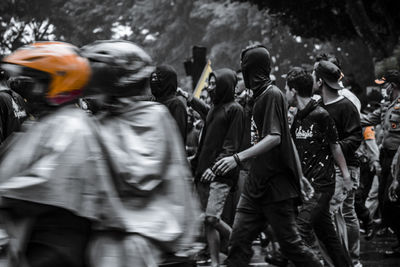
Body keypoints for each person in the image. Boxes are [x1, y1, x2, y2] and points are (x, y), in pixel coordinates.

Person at [0, 40, 199, 267]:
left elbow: (137, 172)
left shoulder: (152, 116)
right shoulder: (94, 121)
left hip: (142, 234)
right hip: (115, 229)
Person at [213, 45, 321, 267]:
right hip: (256, 185)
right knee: (238, 242)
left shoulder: (272, 94)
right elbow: (288, 138)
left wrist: (236, 158)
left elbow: (275, 137)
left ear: (251, 68)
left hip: (275, 187)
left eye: (244, 66)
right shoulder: (257, 96)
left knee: (292, 246)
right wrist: (300, 176)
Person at [286, 67, 352, 267]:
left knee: (300, 230)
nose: (285, 93)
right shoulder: (297, 117)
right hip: (308, 187)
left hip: (322, 186)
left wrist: (346, 176)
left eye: (286, 89)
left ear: (294, 90)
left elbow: (335, 146)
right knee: (329, 237)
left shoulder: (321, 114)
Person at [186, 68, 244, 267]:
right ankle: (215, 262)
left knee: (212, 218)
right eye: (209, 84)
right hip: (204, 173)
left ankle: (242, 243)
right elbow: (204, 109)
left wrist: (215, 168)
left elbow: (231, 146)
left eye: (213, 84)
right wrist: (187, 97)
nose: (210, 88)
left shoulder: (235, 109)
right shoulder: (215, 108)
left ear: (225, 85)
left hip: (220, 175)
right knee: (207, 221)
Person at [313, 60, 363, 267]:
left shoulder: (346, 106)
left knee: (333, 215)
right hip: (324, 170)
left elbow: (355, 138)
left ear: (320, 81)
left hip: (345, 170)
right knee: (333, 216)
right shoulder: (317, 106)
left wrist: (333, 146)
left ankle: (345, 261)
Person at [363, 70, 400, 255]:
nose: (382, 88)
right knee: (382, 200)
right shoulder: (387, 105)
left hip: (397, 157)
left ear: (392, 85)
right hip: (385, 155)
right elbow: (369, 119)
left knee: (390, 200)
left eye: (384, 84)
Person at [150, 65, 188, 144]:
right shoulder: (152, 103)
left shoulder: (176, 105)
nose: (153, 81)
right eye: (152, 78)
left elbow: (178, 138)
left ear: (166, 80)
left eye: (156, 78)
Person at [0, 69, 27, 144]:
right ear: (7, 79)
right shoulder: (19, 97)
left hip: (6, 152)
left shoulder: (1, 98)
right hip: (19, 148)